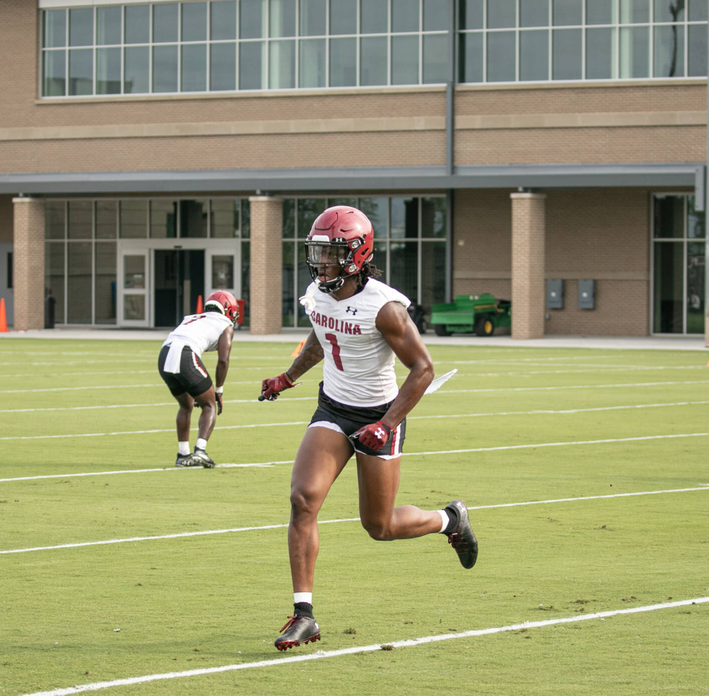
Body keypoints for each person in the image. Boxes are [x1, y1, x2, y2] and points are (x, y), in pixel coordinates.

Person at [258, 204, 478, 651]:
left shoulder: (385, 308)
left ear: (357, 254)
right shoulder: (318, 293)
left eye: (331, 253)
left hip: (378, 415)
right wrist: (288, 377)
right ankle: (304, 615)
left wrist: (387, 422)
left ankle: (449, 519)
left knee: (379, 526)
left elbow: (423, 369)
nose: (321, 262)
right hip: (332, 409)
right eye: (317, 252)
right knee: (302, 499)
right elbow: (322, 336)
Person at [157, 290, 240, 468]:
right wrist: (218, 391)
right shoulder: (225, 324)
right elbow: (223, 360)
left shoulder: (191, 318)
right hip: (185, 354)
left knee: (185, 406)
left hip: (164, 354)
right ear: (228, 309)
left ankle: (183, 455)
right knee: (209, 405)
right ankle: (200, 451)